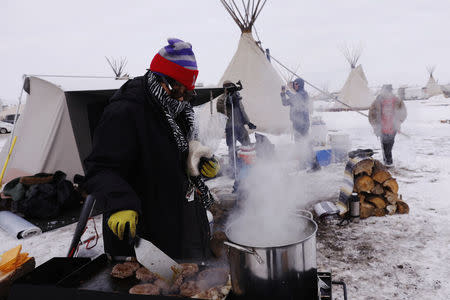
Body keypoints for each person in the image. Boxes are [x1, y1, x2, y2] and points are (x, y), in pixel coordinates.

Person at [83, 38, 220, 260]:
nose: (183, 98)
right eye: (178, 91)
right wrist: (119, 202)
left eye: (188, 93)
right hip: (141, 231)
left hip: (178, 221)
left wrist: (198, 162)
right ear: (161, 80)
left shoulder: (178, 109)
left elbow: (172, 153)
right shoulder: (126, 110)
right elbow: (100, 168)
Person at [280, 78, 320, 171]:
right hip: (296, 124)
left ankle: (315, 165)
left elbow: (296, 99)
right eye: (294, 84)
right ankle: (302, 164)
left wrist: (287, 91)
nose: (295, 85)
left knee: (306, 144)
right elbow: (285, 103)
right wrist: (282, 93)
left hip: (303, 124)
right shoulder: (296, 95)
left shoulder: (303, 94)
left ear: (301, 85)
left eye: (296, 84)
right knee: (299, 145)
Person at [216, 80, 256, 167]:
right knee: (232, 149)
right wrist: (227, 99)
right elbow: (220, 110)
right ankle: (233, 167)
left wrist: (248, 122)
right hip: (230, 128)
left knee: (247, 145)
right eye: (228, 87)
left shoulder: (237, 97)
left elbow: (242, 111)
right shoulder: (222, 98)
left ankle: (248, 163)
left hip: (240, 126)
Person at [369, 84, 407, 167]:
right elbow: (371, 113)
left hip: (393, 127)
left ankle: (388, 162)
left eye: (389, 91)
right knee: (384, 145)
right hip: (381, 127)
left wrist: (398, 121)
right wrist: (375, 124)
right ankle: (387, 162)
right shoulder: (377, 101)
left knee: (389, 145)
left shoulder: (397, 100)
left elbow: (403, 112)